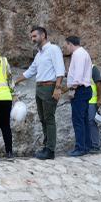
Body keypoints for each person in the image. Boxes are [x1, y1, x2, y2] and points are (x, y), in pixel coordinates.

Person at [15, 26, 65, 159]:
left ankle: (50, 150)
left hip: (50, 87)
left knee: (49, 118)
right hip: (40, 88)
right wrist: (15, 81)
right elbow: (31, 71)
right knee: (43, 118)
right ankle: (46, 146)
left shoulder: (53, 49)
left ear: (43, 35)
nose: (33, 39)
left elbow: (60, 69)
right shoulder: (39, 54)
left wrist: (57, 88)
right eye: (31, 37)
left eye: (34, 36)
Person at [63, 36, 93, 156]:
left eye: (66, 46)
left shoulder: (78, 54)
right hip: (84, 89)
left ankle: (80, 148)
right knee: (84, 119)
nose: (66, 48)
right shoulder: (83, 53)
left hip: (80, 90)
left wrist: (71, 89)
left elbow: (78, 75)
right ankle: (86, 146)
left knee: (78, 120)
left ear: (70, 44)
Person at [88, 62, 101, 154]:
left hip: (92, 101)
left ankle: (95, 146)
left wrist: (100, 98)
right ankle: (88, 145)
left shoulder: (93, 68)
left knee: (91, 122)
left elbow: (99, 84)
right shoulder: (79, 67)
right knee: (85, 122)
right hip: (83, 100)